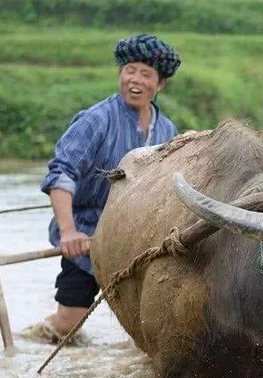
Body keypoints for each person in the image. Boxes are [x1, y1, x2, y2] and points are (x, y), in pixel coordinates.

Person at [26, 34, 181, 344]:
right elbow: (61, 174)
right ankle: (33, 338)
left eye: (145, 74)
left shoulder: (167, 130)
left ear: (160, 83)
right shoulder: (96, 120)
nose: (135, 79)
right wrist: (69, 232)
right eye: (130, 70)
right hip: (88, 234)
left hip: (136, 242)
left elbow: (166, 190)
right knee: (68, 324)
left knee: (146, 329)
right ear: (120, 74)